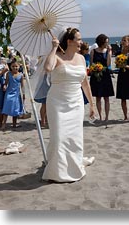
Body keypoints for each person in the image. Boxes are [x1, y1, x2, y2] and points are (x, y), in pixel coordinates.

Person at [42, 27, 95, 183]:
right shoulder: (56, 56)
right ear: (69, 41)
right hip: (57, 101)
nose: (81, 42)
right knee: (58, 136)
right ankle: (57, 171)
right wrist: (53, 48)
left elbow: (85, 83)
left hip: (76, 101)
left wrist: (91, 104)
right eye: (78, 39)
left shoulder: (81, 58)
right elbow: (47, 68)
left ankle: (73, 166)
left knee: (74, 136)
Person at [90, 34, 114, 122]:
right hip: (96, 76)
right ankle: (100, 116)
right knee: (98, 97)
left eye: (108, 42)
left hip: (106, 76)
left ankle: (107, 117)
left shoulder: (108, 51)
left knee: (106, 97)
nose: (107, 44)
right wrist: (95, 68)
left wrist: (109, 53)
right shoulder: (93, 51)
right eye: (106, 42)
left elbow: (108, 64)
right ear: (101, 42)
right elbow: (91, 64)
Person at [116, 35, 129, 121]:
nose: (122, 42)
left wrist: (126, 66)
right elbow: (117, 65)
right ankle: (125, 116)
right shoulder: (120, 53)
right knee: (122, 97)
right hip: (121, 76)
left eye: (124, 40)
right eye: (122, 40)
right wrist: (119, 64)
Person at [1, 60, 25, 129]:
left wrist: (23, 94)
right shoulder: (8, 74)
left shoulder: (21, 75)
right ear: (10, 67)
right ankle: (3, 124)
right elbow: (6, 83)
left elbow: (23, 86)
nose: (15, 68)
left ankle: (14, 124)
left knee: (15, 109)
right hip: (9, 93)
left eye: (16, 66)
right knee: (6, 108)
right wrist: (4, 86)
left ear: (19, 66)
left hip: (17, 94)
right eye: (13, 66)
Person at [33, 56, 50, 128]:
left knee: (46, 104)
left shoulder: (43, 58)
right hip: (46, 82)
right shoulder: (46, 58)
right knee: (45, 104)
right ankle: (43, 121)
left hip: (47, 81)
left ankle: (45, 120)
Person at [0, 44, 9, 127]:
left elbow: (7, 68)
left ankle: (1, 123)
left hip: (0, 84)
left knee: (0, 106)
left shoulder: (1, 60)